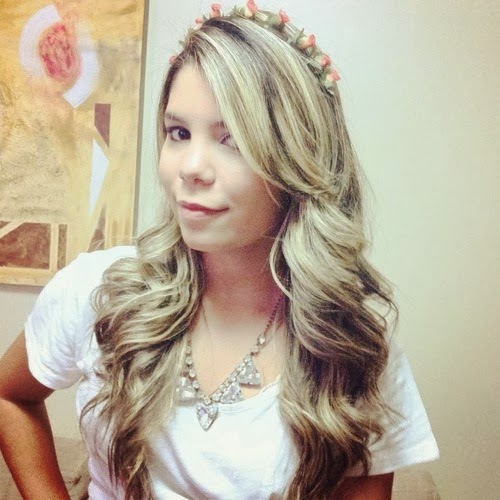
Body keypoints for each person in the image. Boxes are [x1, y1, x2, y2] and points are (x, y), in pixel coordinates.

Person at [0, 3, 439, 499]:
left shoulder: (353, 345)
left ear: (298, 160)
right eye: (178, 133)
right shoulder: (97, 289)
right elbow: (10, 396)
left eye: (232, 139)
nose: (190, 167)